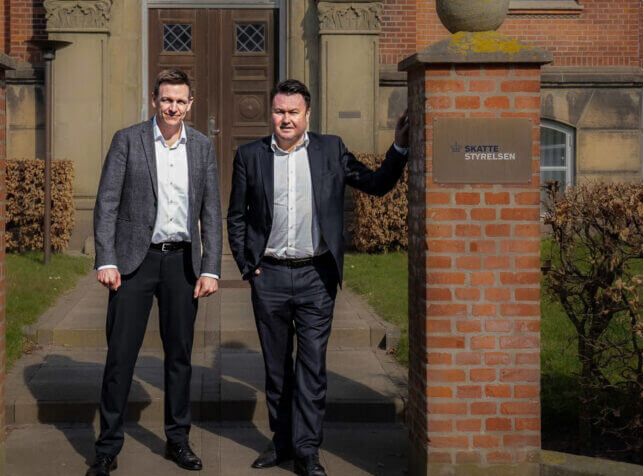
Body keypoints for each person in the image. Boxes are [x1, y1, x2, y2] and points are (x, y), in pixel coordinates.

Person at [226, 79, 408, 476]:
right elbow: (236, 217)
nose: (285, 119)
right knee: (277, 370)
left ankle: (307, 451)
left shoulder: (330, 150)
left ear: (307, 114)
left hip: (316, 277)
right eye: (279, 111)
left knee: (311, 368)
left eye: (293, 112)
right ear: (271, 113)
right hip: (269, 275)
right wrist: (247, 265)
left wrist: (399, 147)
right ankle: (282, 443)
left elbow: (376, 185)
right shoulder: (249, 155)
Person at [87, 68, 222, 476]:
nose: (173, 108)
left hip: (182, 263)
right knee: (120, 357)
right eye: (166, 100)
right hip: (134, 262)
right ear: (153, 100)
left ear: (190, 104)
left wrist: (210, 267)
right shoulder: (128, 140)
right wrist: (106, 259)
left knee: (179, 357)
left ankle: (178, 441)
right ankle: (108, 447)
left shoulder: (201, 147)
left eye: (180, 101)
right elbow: (107, 202)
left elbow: (211, 212)